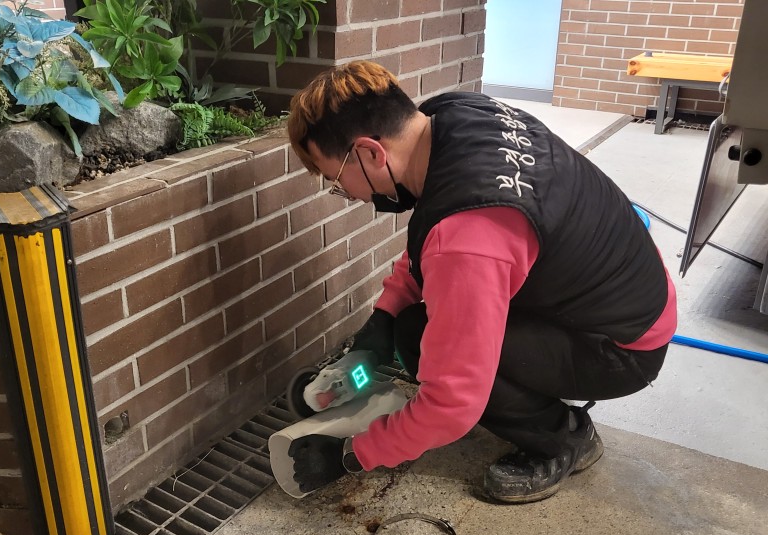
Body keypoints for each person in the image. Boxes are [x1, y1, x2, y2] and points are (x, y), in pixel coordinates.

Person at [285, 60, 677, 503]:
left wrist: (352, 454)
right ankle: (538, 389)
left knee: (422, 340)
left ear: (371, 153)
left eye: (337, 181)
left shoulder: (468, 236)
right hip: (628, 296)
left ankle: (564, 438)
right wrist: (385, 316)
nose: (350, 196)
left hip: (620, 348)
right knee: (411, 324)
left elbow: (452, 403)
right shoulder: (455, 115)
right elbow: (439, 240)